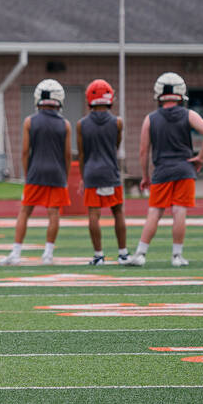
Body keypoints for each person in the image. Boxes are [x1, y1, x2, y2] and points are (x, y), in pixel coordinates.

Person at [123, 72, 203, 267]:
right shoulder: (189, 114)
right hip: (184, 169)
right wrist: (200, 157)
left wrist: (145, 176)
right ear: (181, 93)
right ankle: (177, 256)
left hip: (162, 170)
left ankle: (141, 253)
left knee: (154, 212)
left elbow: (143, 151)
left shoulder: (150, 118)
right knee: (179, 211)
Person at [1, 79, 70, 265]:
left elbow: (25, 151)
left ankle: (16, 253)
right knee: (53, 213)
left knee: (25, 211)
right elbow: (67, 154)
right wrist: (65, 175)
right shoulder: (65, 124)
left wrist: (28, 173)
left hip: (36, 172)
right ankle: (48, 254)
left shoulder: (30, 121)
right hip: (57, 173)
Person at [77, 79, 130, 265]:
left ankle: (98, 255)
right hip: (111, 172)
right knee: (118, 211)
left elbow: (82, 154)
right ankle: (123, 254)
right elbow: (116, 145)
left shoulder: (81, 124)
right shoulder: (118, 122)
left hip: (91, 172)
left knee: (93, 214)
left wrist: (83, 176)